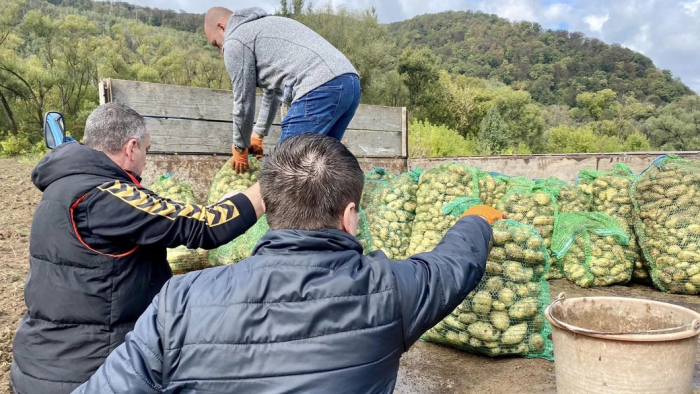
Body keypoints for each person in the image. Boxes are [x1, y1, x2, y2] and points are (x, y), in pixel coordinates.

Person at [71, 133, 506, 394]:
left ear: (269, 211)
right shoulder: (391, 288)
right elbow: (453, 267)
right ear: (350, 217)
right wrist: (475, 221)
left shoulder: (179, 299)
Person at [10, 103, 264, 394]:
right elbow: (205, 225)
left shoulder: (62, 189)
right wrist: (269, 184)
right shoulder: (107, 196)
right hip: (91, 374)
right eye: (147, 150)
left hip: (42, 362)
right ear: (131, 148)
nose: (145, 159)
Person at [204, 6, 361, 173]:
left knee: (281, 172)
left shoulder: (236, 40)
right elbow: (273, 92)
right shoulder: (265, 26)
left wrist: (240, 147)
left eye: (216, 44)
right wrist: (258, 134)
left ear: (221, 27)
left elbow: (243, 102)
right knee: (320, 170)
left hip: (320, 86)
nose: (221, 51)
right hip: (350, 83)